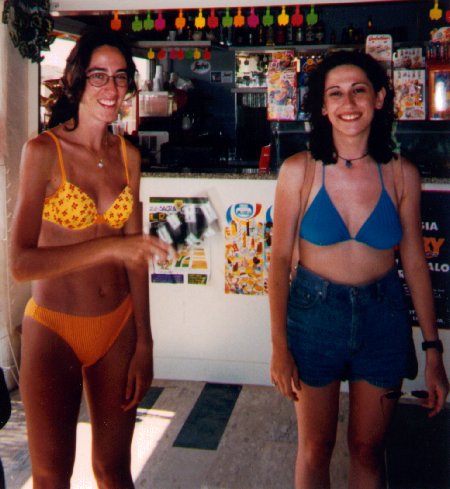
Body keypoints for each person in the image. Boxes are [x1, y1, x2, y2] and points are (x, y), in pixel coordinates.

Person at [268, 50, 449, 489]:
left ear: (379, 98)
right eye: (335, 93)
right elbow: (279, 261)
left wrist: (433, 351)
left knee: (368, 449)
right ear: (322, 106)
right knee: (315, 448)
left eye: (358, 90)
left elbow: (414, 263)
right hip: (314, 317)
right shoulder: (299, 171)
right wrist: (279, 347)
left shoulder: (402, 174)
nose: (348, 103)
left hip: (383, 319)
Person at [10, 28, 173, 489]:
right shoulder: (43, 152)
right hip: (54, 328)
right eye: (99, 75)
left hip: (117, 326)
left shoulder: (128, 156)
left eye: (120, 77)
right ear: (77, 80)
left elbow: (135, 258)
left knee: (114, 472)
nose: (111, 88)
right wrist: (111, 247)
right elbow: (20, 264)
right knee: (51, 477)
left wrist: (145, 342)